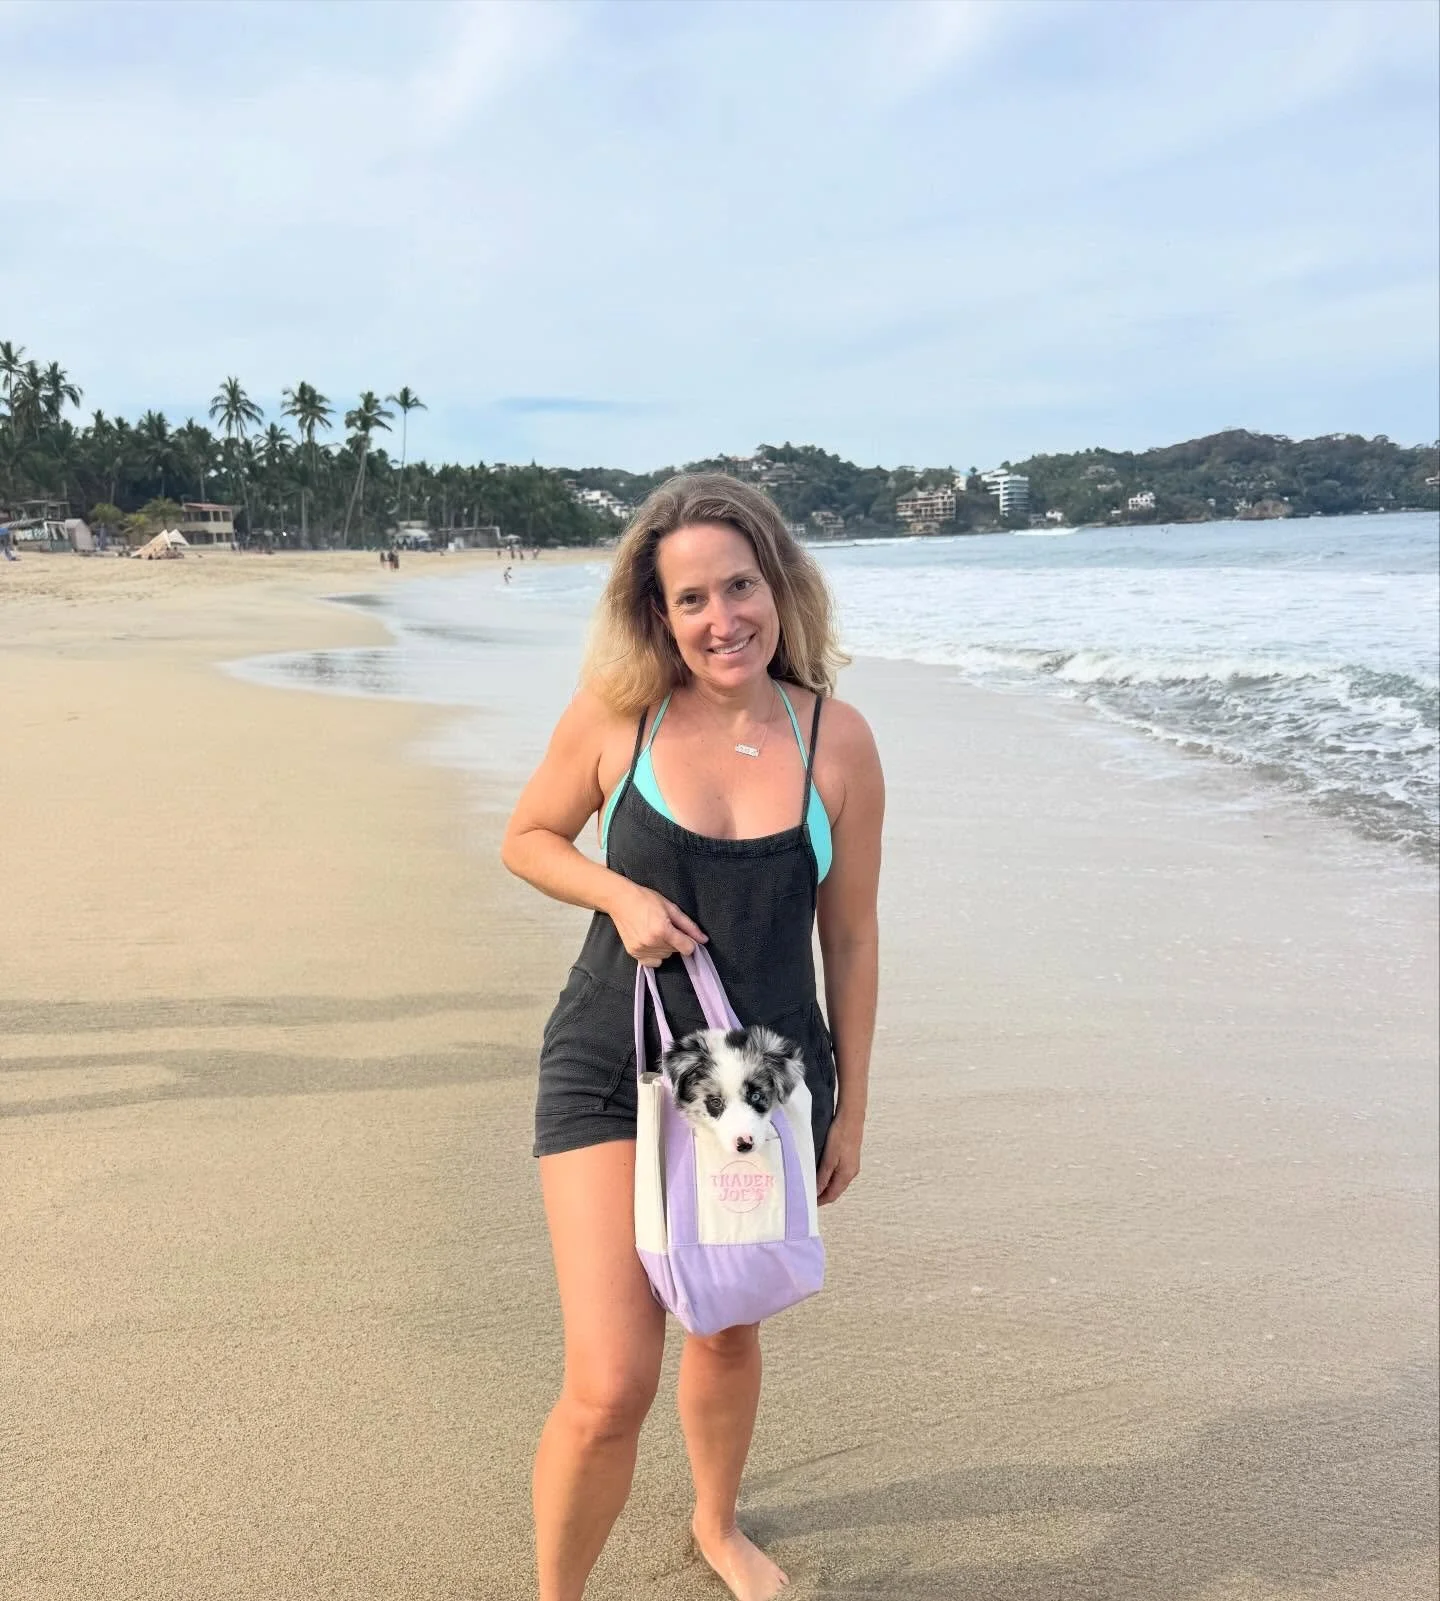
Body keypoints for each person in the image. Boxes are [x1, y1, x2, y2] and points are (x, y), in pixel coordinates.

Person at [501, 474, 883, 1601]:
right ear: (657, 614)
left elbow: (851, 939)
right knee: (611, 1381)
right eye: (692, 599)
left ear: (779, 585)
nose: (724, 619)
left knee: (721, 1326)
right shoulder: (621, 714)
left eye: (741, 586)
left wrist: (853, 1102)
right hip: (609, 1065)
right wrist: (615, 895)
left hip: (758, 1088)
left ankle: (717, 1521)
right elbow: (527, 834)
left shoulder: (839, 740)